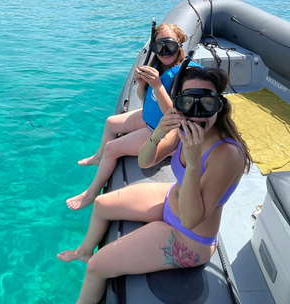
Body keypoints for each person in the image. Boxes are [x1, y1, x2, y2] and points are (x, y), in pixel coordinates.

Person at [58, 67, 251, 304]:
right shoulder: (183, 129)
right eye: (189, 102)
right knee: (100, 203)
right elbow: (145, 160)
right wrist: (157, 133)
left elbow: (192, 219)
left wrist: (192, 163)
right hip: (172, 198)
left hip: (189, 236)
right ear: (179, 104)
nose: (198, 113)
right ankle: (84, 251)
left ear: (219, 105)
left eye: (207, 103)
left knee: (98, 267)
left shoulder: (226, 154)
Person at [67, 23, 195, 210]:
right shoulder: (158, 65)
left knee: (112, 148)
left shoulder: (184, 74)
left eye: (170, 46)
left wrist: (158, 85)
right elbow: (145, 99)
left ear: (180, 45)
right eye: (159, 46)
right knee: (111, 122)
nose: (165, 51)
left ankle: (91, 193)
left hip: (165, 131)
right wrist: (142, 83)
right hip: (150, 119)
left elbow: (173, 116)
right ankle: (97, 157)